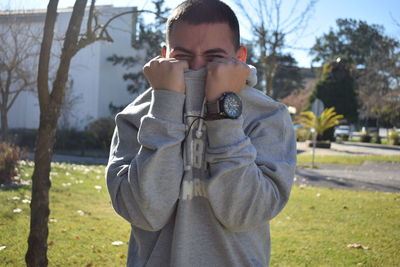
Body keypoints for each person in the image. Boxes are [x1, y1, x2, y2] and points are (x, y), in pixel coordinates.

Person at [106, 0, 296, 266]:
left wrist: (223, 112)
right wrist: (166, 105)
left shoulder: (267, 115)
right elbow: (144, 213)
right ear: (164, 54)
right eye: (182, 57)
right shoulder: (136, 116)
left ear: (239, 57)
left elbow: (245, 214)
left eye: (214, 58)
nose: (196, 68)